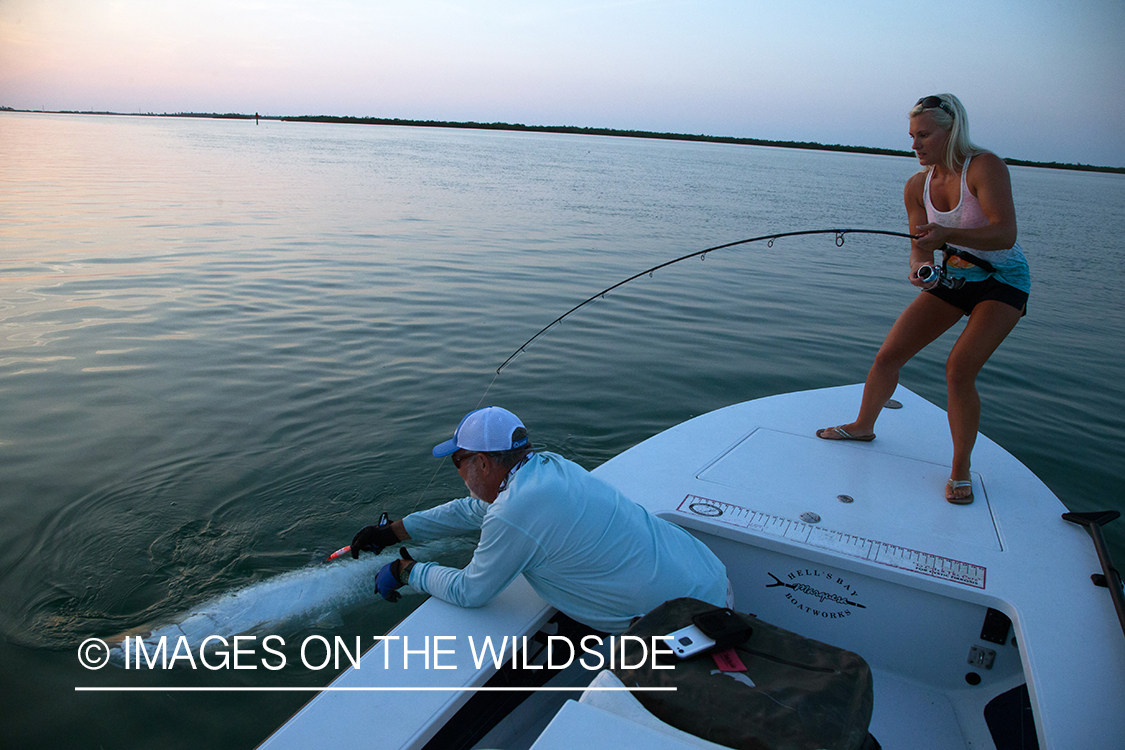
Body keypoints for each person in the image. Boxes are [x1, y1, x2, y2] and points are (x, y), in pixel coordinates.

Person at [817, 94, 1030, 505]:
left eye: (924, 135)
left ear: (952, 132)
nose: (915, 145)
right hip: (952, 279)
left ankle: (960, 468)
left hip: (1003, 281)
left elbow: (1005, 234)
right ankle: (863, 426)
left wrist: (946, 236)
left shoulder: (985, 167)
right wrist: (919, 268)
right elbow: (921, 247)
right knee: (888, 355)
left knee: (958, 369)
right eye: (912, 136)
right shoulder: (917, 186)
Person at [350, 406, 729, 634]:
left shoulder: (514, 512)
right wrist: (393, 531)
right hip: (708, 575)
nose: (459, 473)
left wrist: (407, 571)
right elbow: (470, 510)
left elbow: (471, 592)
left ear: (482, 462)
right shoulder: (549, 469)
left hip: (683, 623)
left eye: (458, 462)